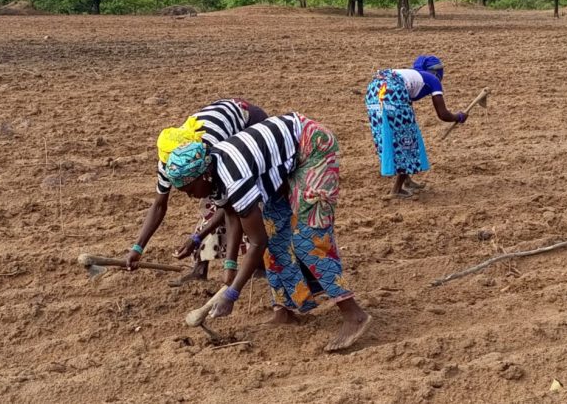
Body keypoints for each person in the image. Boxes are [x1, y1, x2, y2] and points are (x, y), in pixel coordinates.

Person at [165, 113, 371, 352]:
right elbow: (232, 214)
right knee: (275, 232)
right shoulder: (214, 173)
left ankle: (354, 314)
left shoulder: (233, 176)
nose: (190, 196)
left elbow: (256, 241)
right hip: (282, 164)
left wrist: (232, 294)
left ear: (203, 175)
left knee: (308, 238)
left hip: (311, 148)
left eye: (190, 190)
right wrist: (230, 266)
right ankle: (283, 311)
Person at [125, 99, 268, 286]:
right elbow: (159, 205)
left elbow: (228, 208)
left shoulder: (209, 150)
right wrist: (138, 247)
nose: (189, 195)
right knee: (209, 200)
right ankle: (200, 268)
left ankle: (260, 264)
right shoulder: (170, 163)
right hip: (218, 132)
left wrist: (198, 238)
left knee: (247, 202)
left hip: (250, 123)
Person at [365, 55, 468, 198]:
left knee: (389, 134)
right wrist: (459, 116)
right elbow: (443, 114)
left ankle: (406, 180)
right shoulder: (432, 79)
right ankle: (396, 190)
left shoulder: (410, 75)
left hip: (373, 90)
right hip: (392, 92)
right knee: (407, 140)